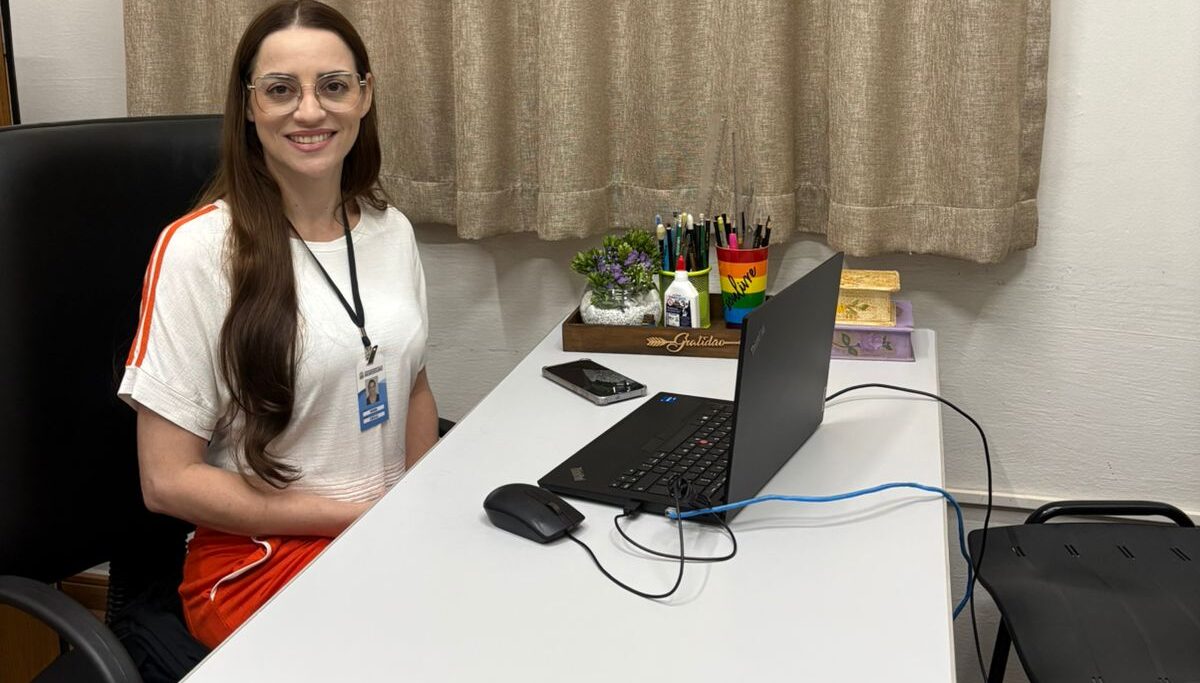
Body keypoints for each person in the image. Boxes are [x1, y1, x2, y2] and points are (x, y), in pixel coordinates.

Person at [118, 0, 438, 648]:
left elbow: (413, 384)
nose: (310, 111)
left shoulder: (391, 230)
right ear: (248, 105)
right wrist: (360, 518)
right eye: (281, 89)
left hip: (378, 534)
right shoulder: (198, 250)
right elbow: (166, 480)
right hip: (255, 562)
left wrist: (420, 509)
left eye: (333, 86)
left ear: (365, 95)